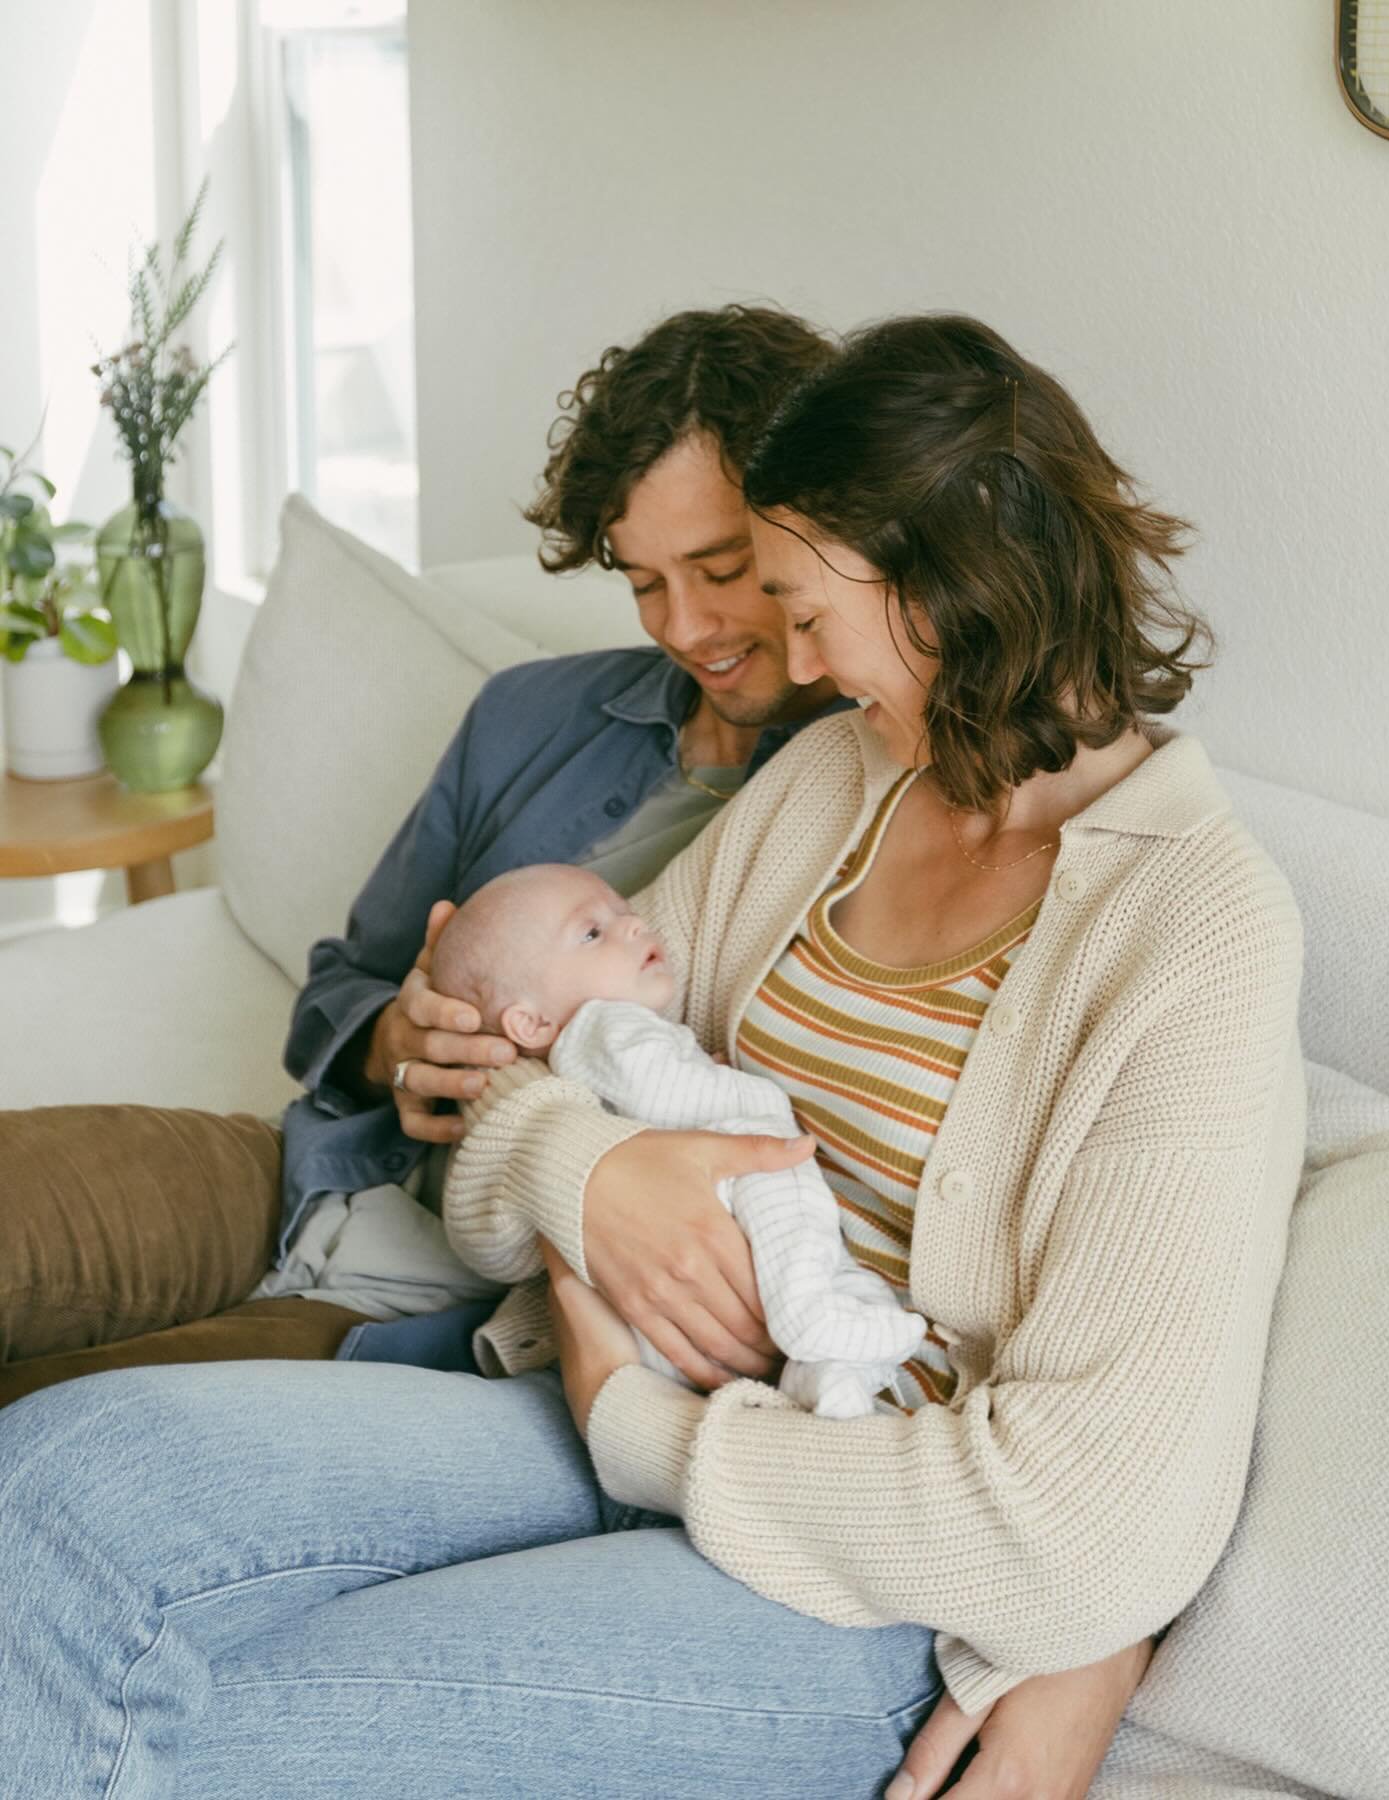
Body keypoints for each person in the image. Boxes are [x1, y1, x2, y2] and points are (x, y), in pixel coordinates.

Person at [0, 313, 1305, 1797]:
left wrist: (648, 1430)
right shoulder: (837, 780)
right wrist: (586, 1166)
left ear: (965, 576)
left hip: (858, 1580)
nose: (791, 659)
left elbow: (1089, 1531)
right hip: (567, 1401)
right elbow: (527, 1094)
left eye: (813, 608)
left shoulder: (1196, 928)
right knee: (57, 1481)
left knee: (229, 1735)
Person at [0, 303, 843, 1404]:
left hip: (457, 1319)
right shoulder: (529, 718)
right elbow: (338, 986)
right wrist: (395, 1038)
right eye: (643, 582)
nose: (684, 627)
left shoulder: (864, 791)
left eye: (722, 568)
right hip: (307, 1172)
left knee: (44, 1430)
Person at [431, 862, 926, 1416]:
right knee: (799, 1232)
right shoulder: (605, 1027)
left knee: (815, 1265)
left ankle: (825, 1376)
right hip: (727, 1189)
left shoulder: (586, 1046)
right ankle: (811, 1322)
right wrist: (738, 1089)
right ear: (528, 1025)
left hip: (659, 1328)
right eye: (591, 932)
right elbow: (666, 1089)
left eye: (625, 912)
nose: (635, 926)